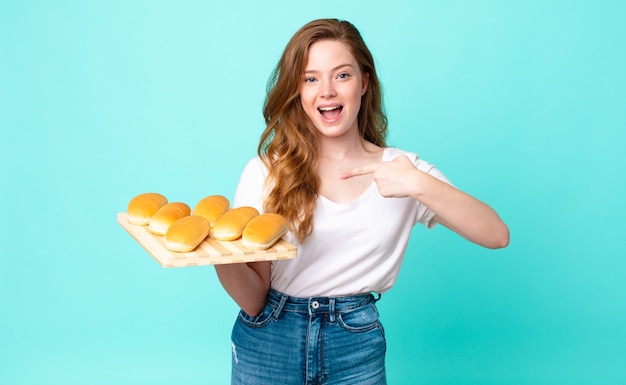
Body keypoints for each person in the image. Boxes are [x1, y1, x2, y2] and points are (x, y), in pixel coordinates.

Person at [215, 18, 509, 385]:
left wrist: (418, 184)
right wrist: (218, 254)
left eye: (341, 75)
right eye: (311, 78)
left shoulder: (403, 170)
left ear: (364, 82)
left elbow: (496, 234)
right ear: (297, 90)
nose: (326, 91)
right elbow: (254, 299)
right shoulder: (265, 171)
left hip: (354, 340)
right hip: (270, 339)